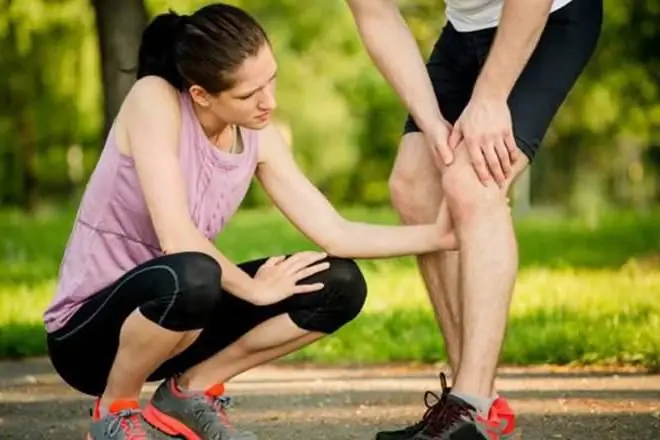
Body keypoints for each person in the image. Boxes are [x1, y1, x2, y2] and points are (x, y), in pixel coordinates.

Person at [42, 3, 458, 440]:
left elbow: (335, 232)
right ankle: (115, 411)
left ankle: (190, 392)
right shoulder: (154, 99)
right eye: (248, 94)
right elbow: (177, 236)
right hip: (89, 339)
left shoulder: (258, 136)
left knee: (337, 283)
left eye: (270, 80)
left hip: (182, 320)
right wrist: (255, 290)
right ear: (201, 94)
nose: (269, 102)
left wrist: (438, 235)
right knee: (195, 272)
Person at [343, 0, 603, 439]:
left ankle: (473, 405)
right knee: (414, 186)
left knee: (473, 183)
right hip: (463, 32)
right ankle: (467, 404)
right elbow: (374, 12)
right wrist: (429, 121)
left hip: (549, 17)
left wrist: (489, 98)